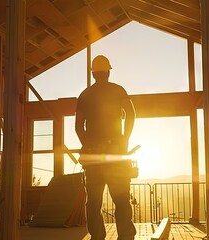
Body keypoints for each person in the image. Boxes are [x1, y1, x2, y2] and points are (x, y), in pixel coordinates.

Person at [75, 55, 136, 240]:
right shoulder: (118, 91)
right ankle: (125, 237)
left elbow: (78, 126)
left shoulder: (85, 95)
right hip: (116, 154)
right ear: (108, 72)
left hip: (94, 158)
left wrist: (87, 144)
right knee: (121, 199)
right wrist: (125, 139)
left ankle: (97, 238)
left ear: (93, 74)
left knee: (93, 202)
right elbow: (131, 114)